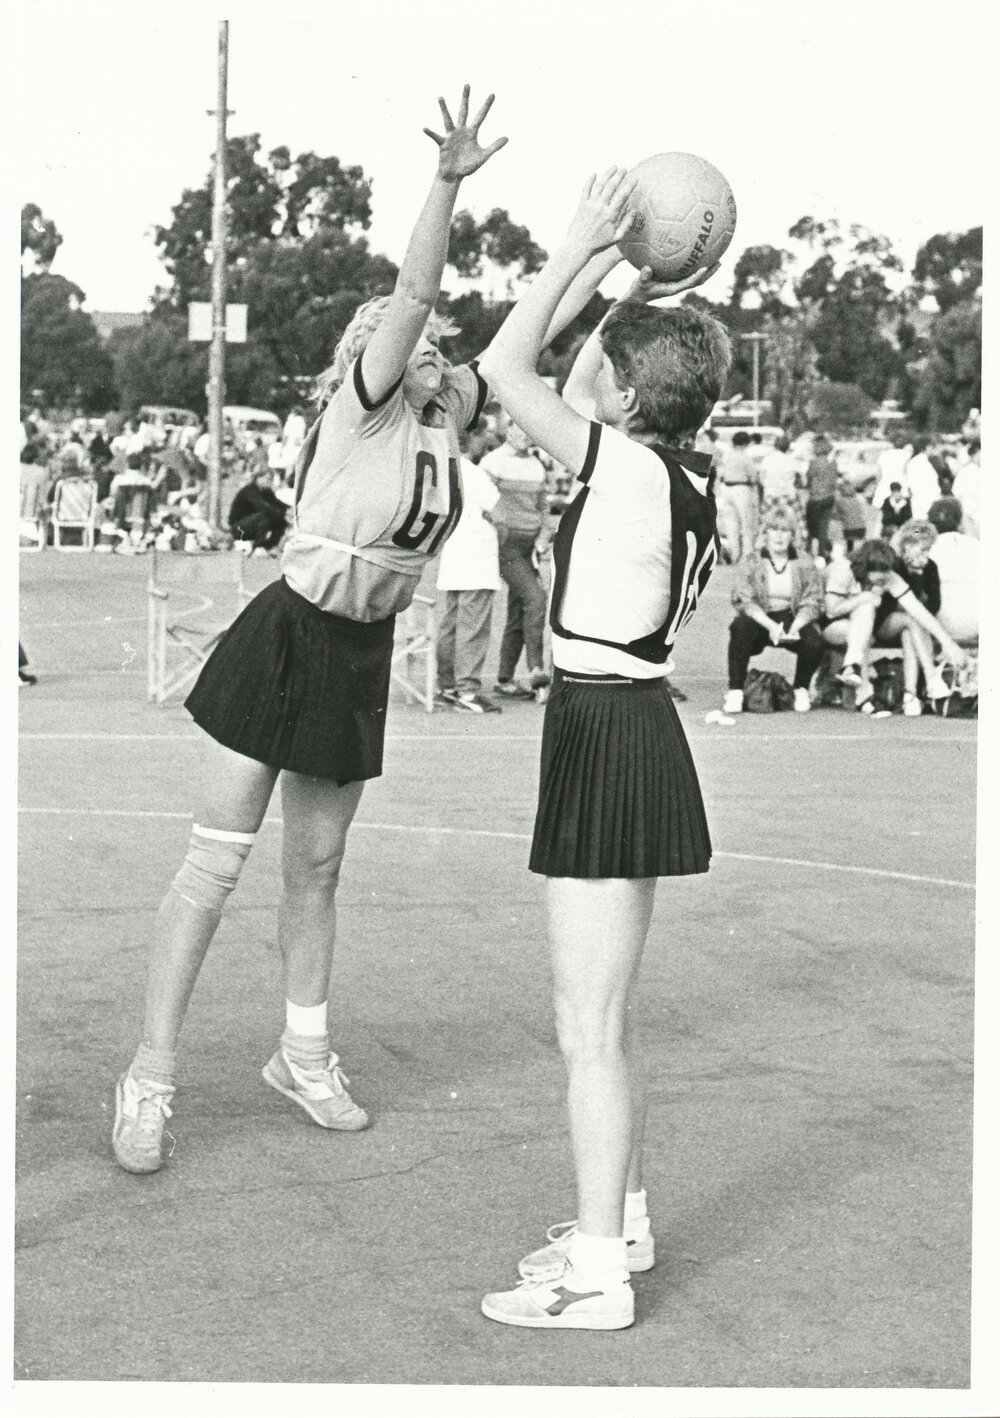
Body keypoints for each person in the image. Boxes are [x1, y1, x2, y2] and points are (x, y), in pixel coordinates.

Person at [110, 85, 511, 1175]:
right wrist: (446, 180)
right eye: (424, 346)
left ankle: (304, 1053)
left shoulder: (444, 417)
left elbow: (529, 336)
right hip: (290, 630)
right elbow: (418, 289)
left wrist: (592, 249)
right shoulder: (371, 401)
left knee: (318, 868)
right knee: (215, 863)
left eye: (441, 351)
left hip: (358, 652)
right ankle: (149, 1071)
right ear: (374, 353)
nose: (442, 354)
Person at [476, 168, 728, 1330]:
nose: (597, 387)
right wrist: (632, 272)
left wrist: (576, 240)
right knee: (606, 1016)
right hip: (627, 721)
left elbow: (504, 369)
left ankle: (596, 1273)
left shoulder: (621, 466)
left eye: (612, 379)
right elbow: (573, 372)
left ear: (628, 400)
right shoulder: (672, 465)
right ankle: (612, 1217)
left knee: (586, 1023)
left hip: (609, 725)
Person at [823, 535, 966, 716]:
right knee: (866, 609)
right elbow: (831, 611)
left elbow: (918, 610)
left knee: (910, 619)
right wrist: (863, 598)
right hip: (836, 626)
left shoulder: (888, 575)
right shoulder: (843, 570)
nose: (885, 581)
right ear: (866, 568)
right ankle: (863, 693)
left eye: (887, 576)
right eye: (880, 578)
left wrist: (948, 643)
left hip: (869, 625)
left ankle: (929, 682)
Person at [722, 505, 825, 714]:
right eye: (774, 529)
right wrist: (770, 626)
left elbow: (813, 599)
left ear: (792, 535)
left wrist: (796, 626)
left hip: (791, 615)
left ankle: (801, 688)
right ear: (765, 532)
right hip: (761, 618)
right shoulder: (752, 560)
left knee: (814, 641)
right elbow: (743, 599)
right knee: (740, 626)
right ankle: (735, 690)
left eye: (785, 530)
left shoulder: (804, 561)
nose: (779, 536)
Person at [479, 419, 553, 699]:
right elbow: (482, 503)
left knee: (519, 611)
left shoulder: (537, 466)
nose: (524, 435)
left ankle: (505, 680)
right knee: (536, 598)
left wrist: (543, 537)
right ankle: (536, 670)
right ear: (508, 432)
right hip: (506, 547)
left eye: (528, 429)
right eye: (519, 429)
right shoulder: (492, 462)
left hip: (529, 548)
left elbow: (543, 509)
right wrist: (501, 531)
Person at [436, 429, 503, 712]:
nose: (485, 444)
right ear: (469, 440)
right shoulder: (474, 473)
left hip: (453, 554)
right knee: (472, 627)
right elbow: (500, 514)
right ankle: (467, 690)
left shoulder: (444, 469)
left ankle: (447, 685)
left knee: (450, 624)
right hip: (477, 556)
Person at [926, 497, 979, 647]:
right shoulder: (975, 545)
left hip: (939, 625)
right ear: (960, 521)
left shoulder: (926, 546)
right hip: (976, 624)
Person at [715, 430, 758, 561]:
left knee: (731, 525)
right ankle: (747, 554)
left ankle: (734, 554)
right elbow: (753, 476)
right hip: (742, 488)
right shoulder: (745, 456)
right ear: (745, 443)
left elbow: (720, 474)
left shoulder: (726, 456)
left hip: (727, 489)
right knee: (746, 524)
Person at [228, 465, 288, 554]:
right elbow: (262, 507)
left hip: (253, 525)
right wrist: (281, 513)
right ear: (259, 477)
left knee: (281, 522)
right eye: (268, 479)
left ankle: (267, 546)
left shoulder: (266, 492)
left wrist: (288, 512)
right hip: (239, 528)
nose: (270, 482)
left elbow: (280, 505)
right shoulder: (250, 490)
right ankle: (258, 546)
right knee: (265, 515)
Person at [803, 433, 838, 559]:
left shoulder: (814, 462)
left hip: (816, 498)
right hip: (829, 497)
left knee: (811, 528)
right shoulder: (833, 463)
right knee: (824, 527)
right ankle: (822, 553)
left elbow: (808, 480)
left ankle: (807, 551)